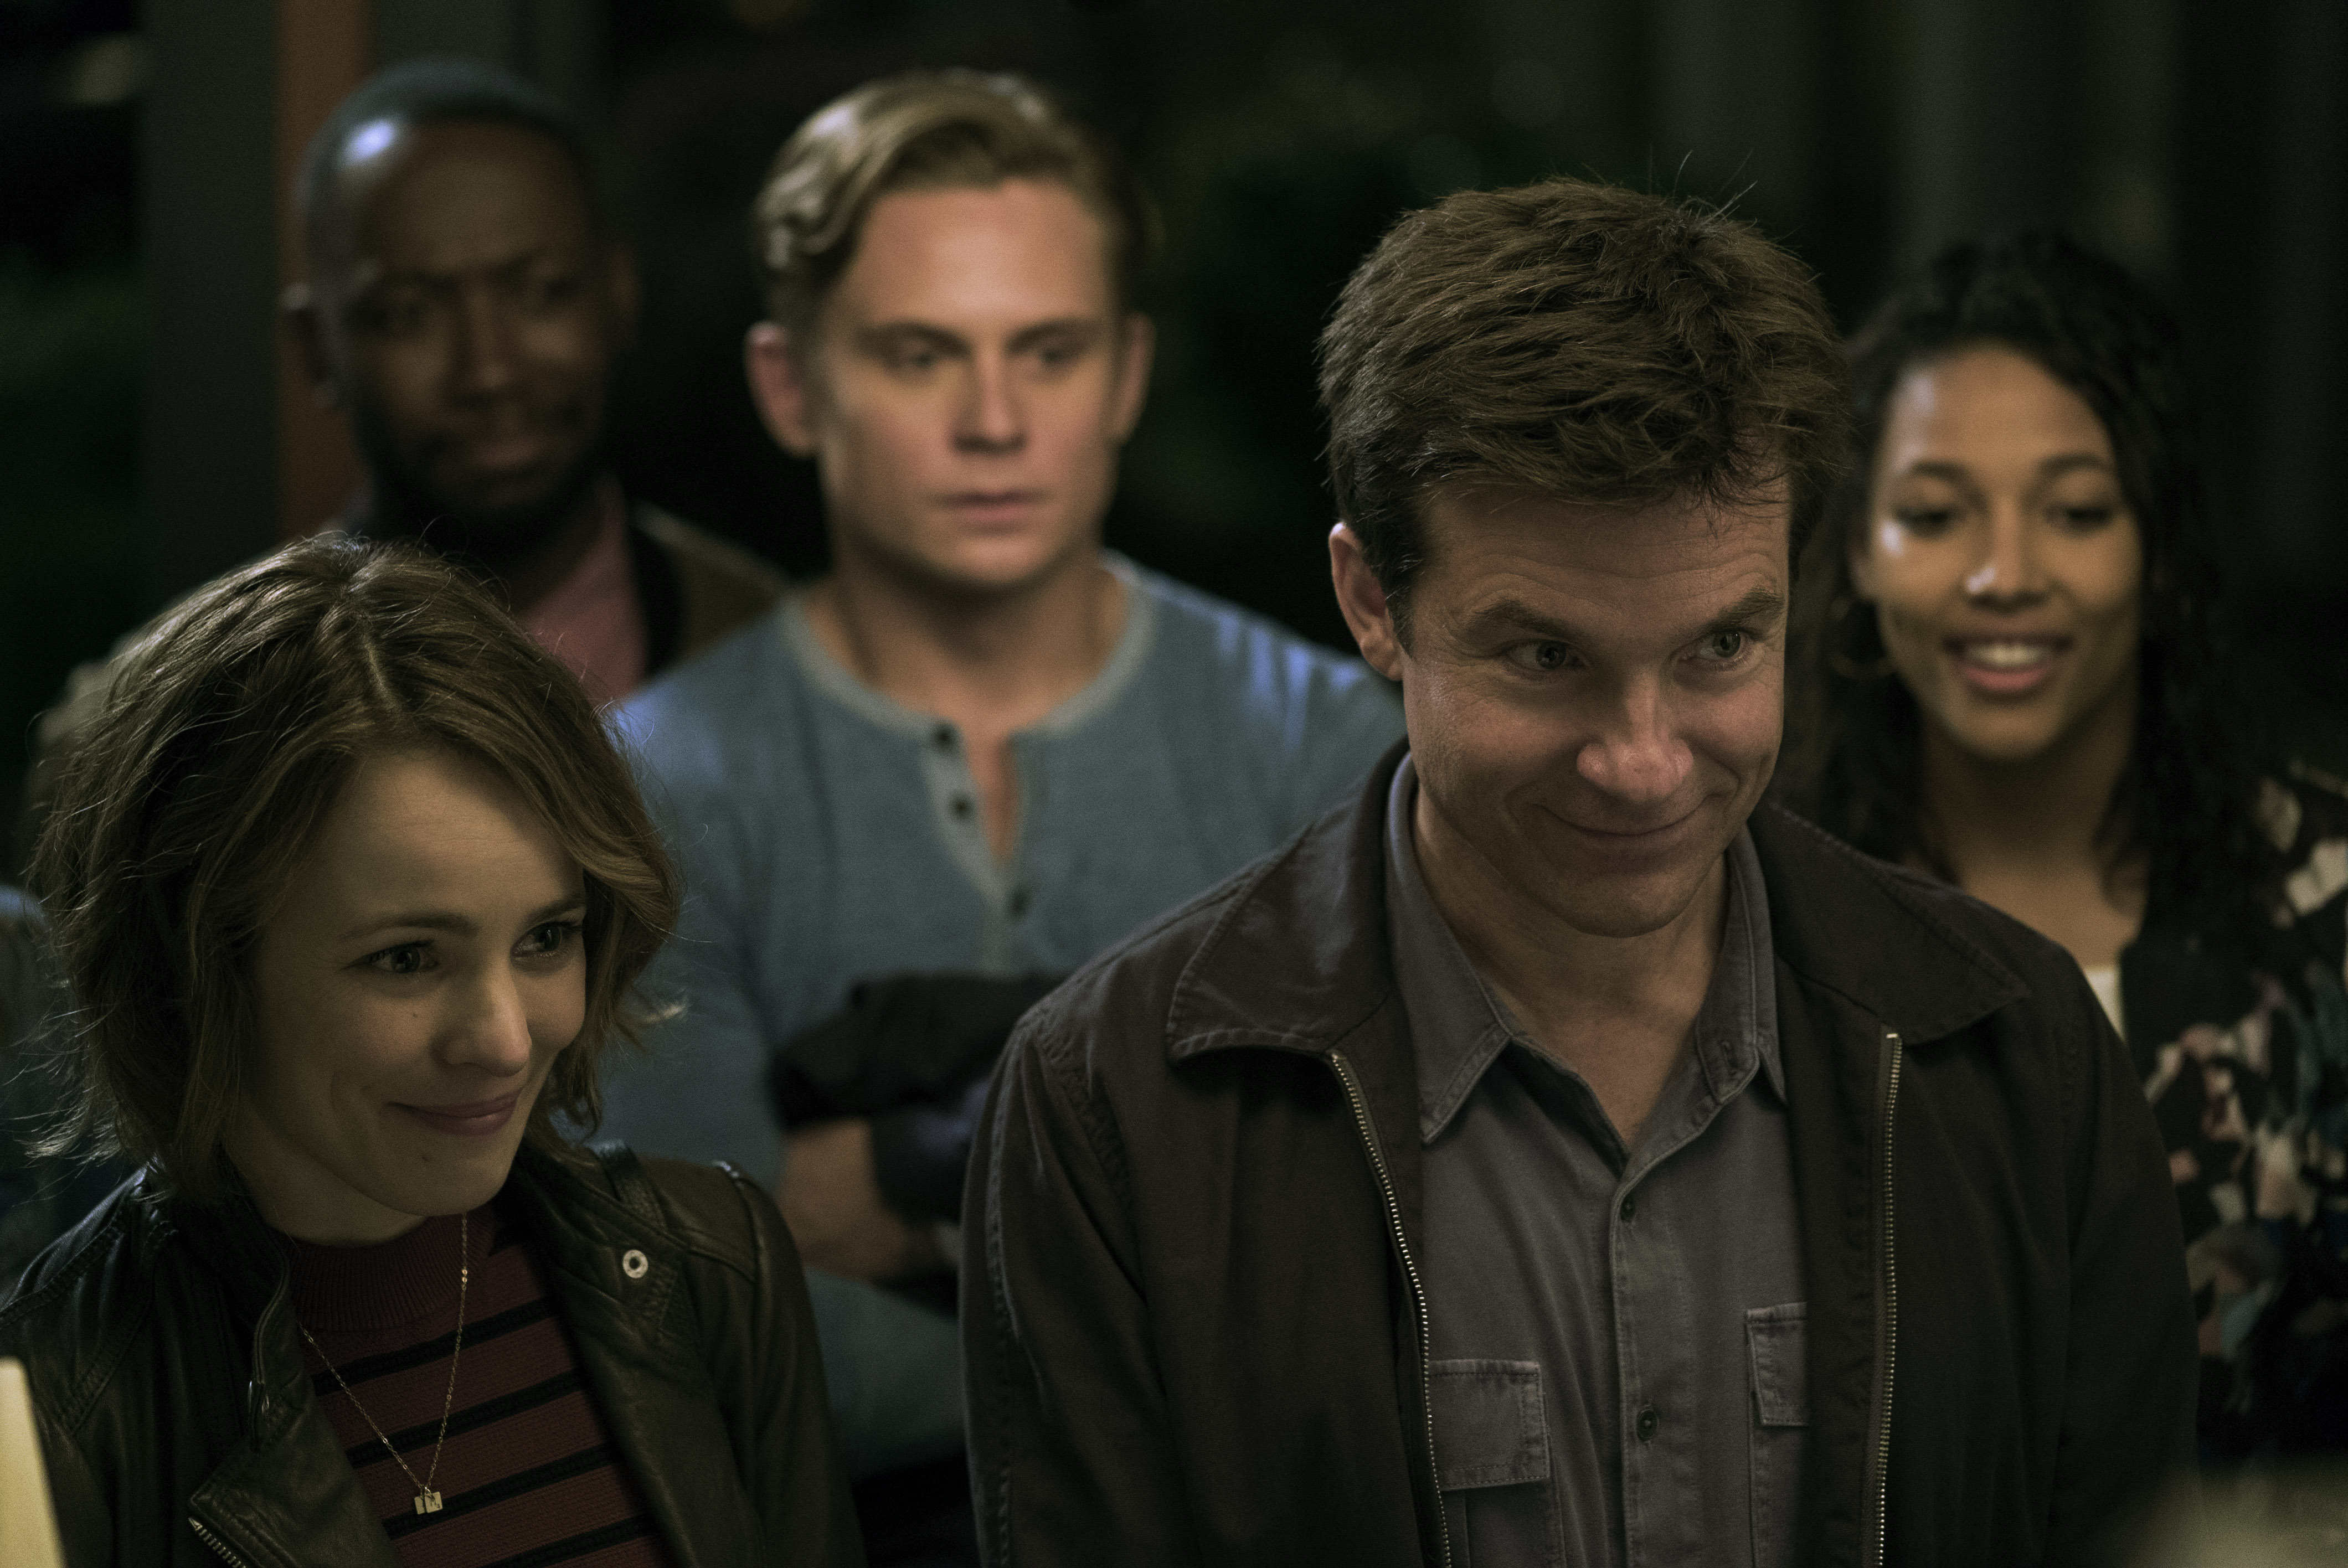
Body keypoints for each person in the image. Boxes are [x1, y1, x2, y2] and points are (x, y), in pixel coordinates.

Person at [964, 179, 2197, 1566]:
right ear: (1372, 603)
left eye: (1719, 649)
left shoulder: (2022, 1059)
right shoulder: (1116, 1108)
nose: (1643, 762)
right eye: (1545, 657)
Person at [606, 67, 1403, 1544]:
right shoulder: (648, 787)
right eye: (920, 355)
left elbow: (1372, 1275)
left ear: (1127, 374)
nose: (994, 421)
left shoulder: (1329, 752)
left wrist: (898, 1184)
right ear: (791, 388)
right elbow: (701, 1338)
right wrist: (1163, 1260)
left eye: (1047, 351)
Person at [0, 537, 859, 1566]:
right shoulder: (54, 1413)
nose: (505, 1039)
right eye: (407, 959)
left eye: (547, 938)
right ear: (194, 969)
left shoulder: (713, 1271)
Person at [1777, 232, 2348, 1476]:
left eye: (2076, 511)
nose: (2004, 575)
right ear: (1857, 553)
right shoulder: (1756, 896)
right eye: (1934, 516)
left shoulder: (2325, 898)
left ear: (2157, 546)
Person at [16, 56, 782, 857]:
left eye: (542, 292)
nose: (489, 370)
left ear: (619, 295)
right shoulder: (156, 734)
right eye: (408, 314)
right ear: (318, 348)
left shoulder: (771, 653)